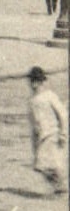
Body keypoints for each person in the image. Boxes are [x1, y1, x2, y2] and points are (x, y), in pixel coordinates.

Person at [26, 66, 67, 195]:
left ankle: (61, 186)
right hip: (41, 137)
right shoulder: (32, 101)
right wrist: (34, 143)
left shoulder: (49, 96)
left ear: (42, 82)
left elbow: (63, 114)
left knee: (46, 164)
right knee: (40, 166)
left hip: (52, 134)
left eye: (37, 81)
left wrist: (63, 134)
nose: (34, 84)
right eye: (32, 81)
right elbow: (34, 124)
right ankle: (59, 187)